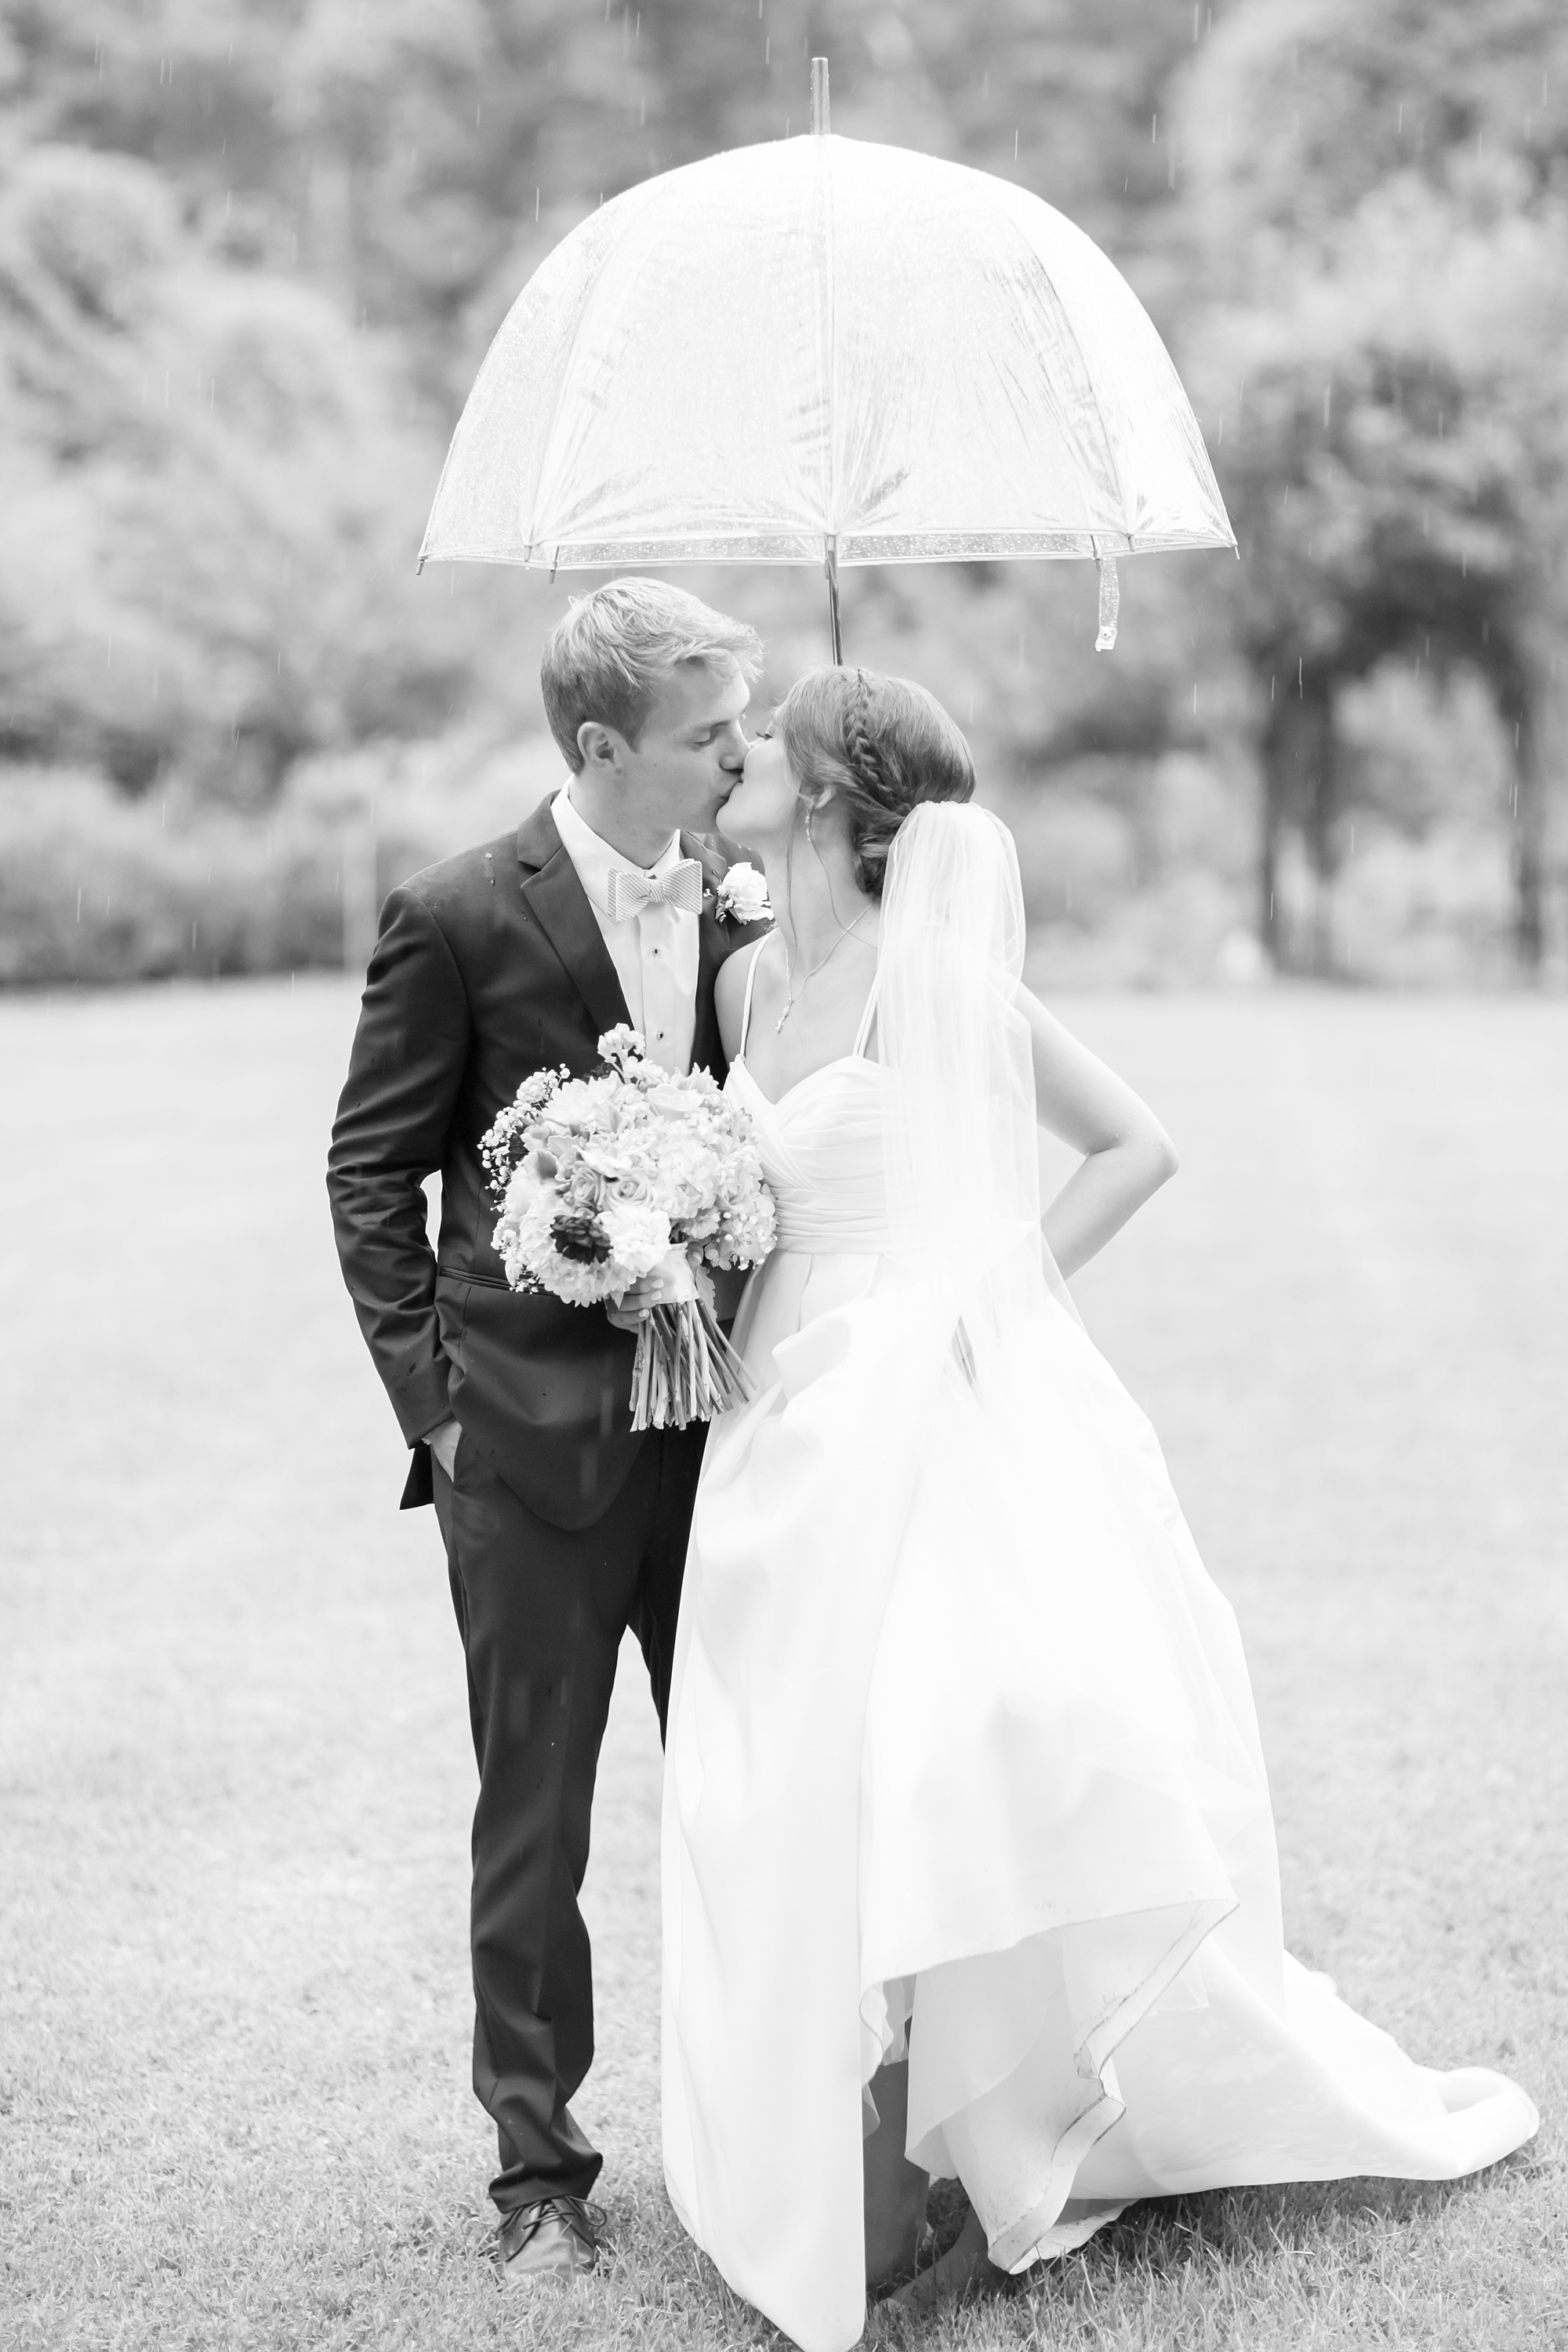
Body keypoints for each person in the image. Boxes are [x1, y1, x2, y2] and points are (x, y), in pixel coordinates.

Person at [645, 665, 1539, 2352]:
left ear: (833, 794)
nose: (752, 756)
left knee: (938, 1747)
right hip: (777, 1425)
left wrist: (988, 1300)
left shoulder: (940, 984)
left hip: (922, 1414)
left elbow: (1135, 1144)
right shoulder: (752, 974)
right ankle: (814, 2111)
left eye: (780, 742)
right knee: (787, 1771)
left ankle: (943, 2123)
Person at [326, 579, 766, 2287]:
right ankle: (540, 2175)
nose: (743, 752)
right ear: (601, 747)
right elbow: (372, 1168)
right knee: (539, 1823)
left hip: (737, 1437)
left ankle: (780, 2124)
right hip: (524, 1444)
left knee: (761, 1795)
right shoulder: (453, 914)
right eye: (710, 732)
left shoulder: (754, 902)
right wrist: (438, 1408)